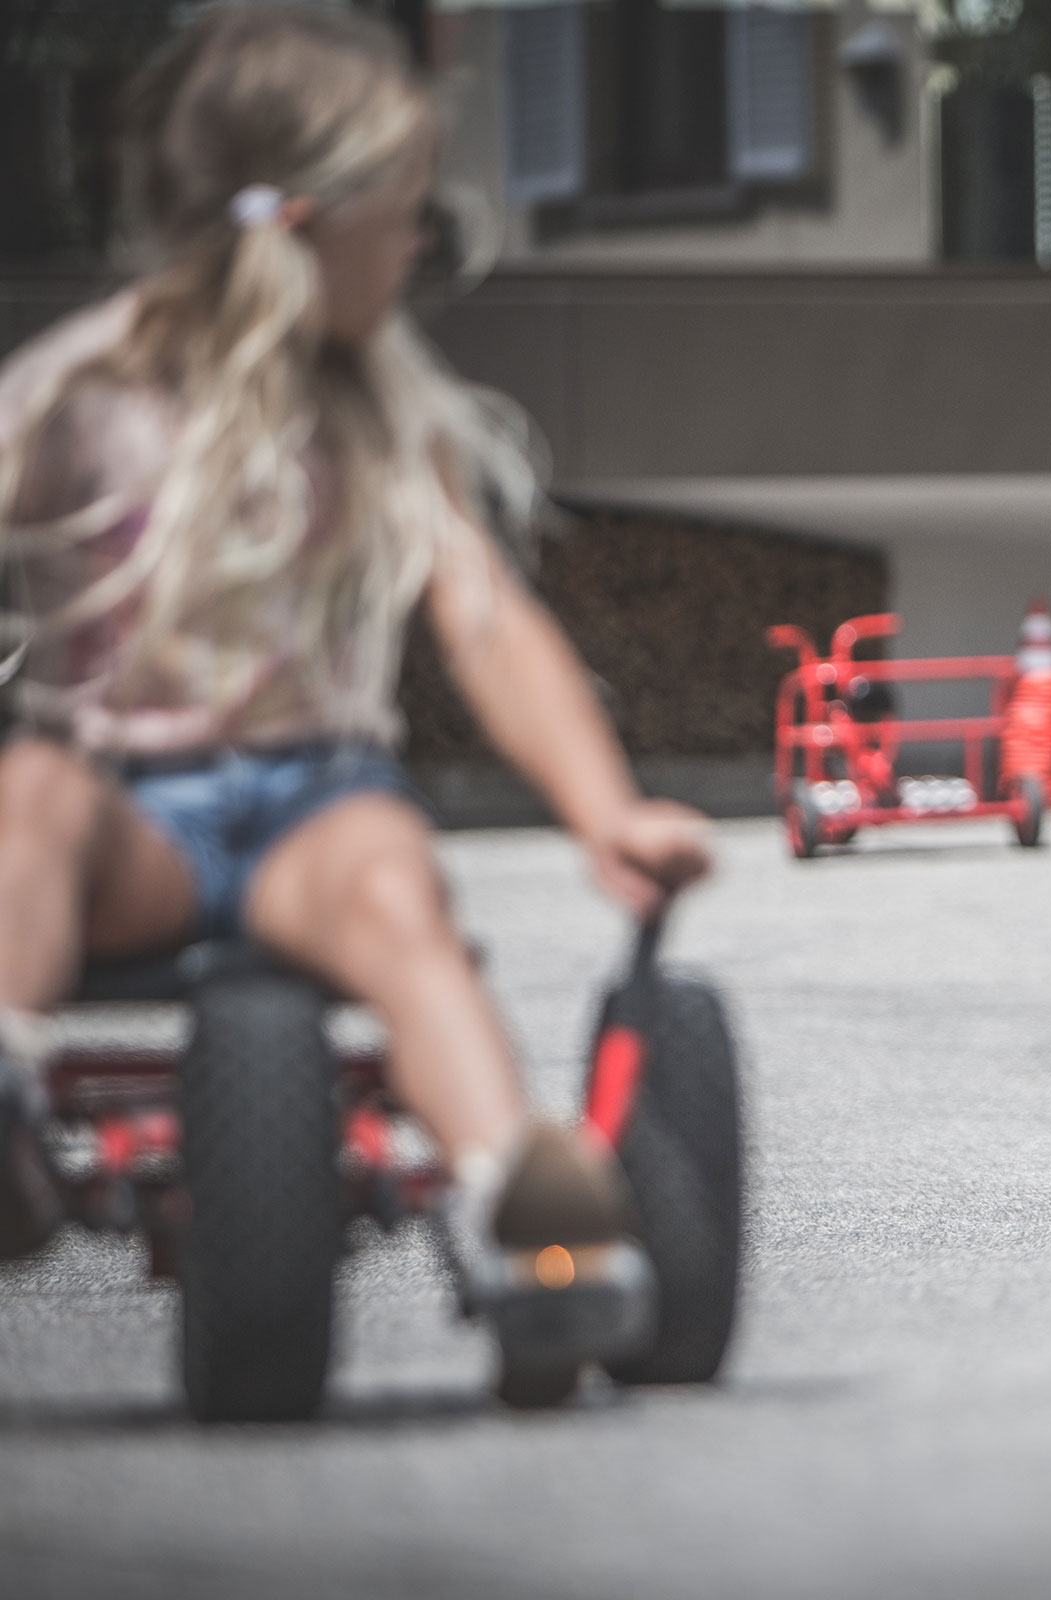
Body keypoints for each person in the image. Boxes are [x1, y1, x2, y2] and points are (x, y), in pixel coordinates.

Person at [0, 7, 713, 1284]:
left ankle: (522, 1206)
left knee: (395, 887)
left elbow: (482, 618)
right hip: (127, 816)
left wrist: (604, 813)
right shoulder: (75, 394)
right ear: (308, 222)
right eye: (405, 216)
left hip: (312, 805)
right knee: (31, 801)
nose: (419, 248)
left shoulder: (380, 406)